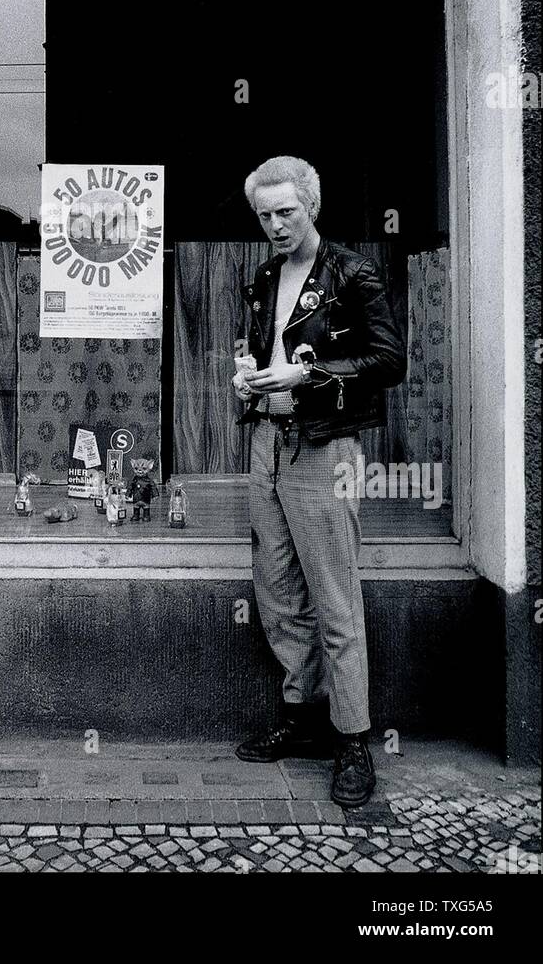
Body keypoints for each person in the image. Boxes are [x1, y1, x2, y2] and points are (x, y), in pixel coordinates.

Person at [233, 155, 406, 807]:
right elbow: (263, 352)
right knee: (276, 591)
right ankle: (302, 718)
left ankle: (353, 738)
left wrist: (311, 375)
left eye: (286, 212)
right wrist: (246, 376)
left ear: (311, 206)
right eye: (264, 215)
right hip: (266, 442)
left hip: (323, 447)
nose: (275, 225)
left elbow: (389, 360)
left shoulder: (351, 272)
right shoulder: (265, 274)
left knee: (333, 595)